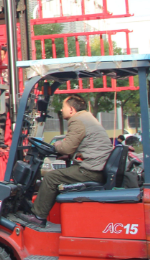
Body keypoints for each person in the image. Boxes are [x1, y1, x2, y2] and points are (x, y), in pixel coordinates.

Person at [20, 95, 114, 226]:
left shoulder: (78, 121)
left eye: (63, 107)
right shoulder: (87, 118)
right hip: (96, 167)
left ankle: (38, 217)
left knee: (51, 178)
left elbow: (66, 148)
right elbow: (83, 146)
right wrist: (69, 156)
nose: (61, 110)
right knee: (58, 176)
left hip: (91, 170)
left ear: (71, 109)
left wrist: (57, 145)